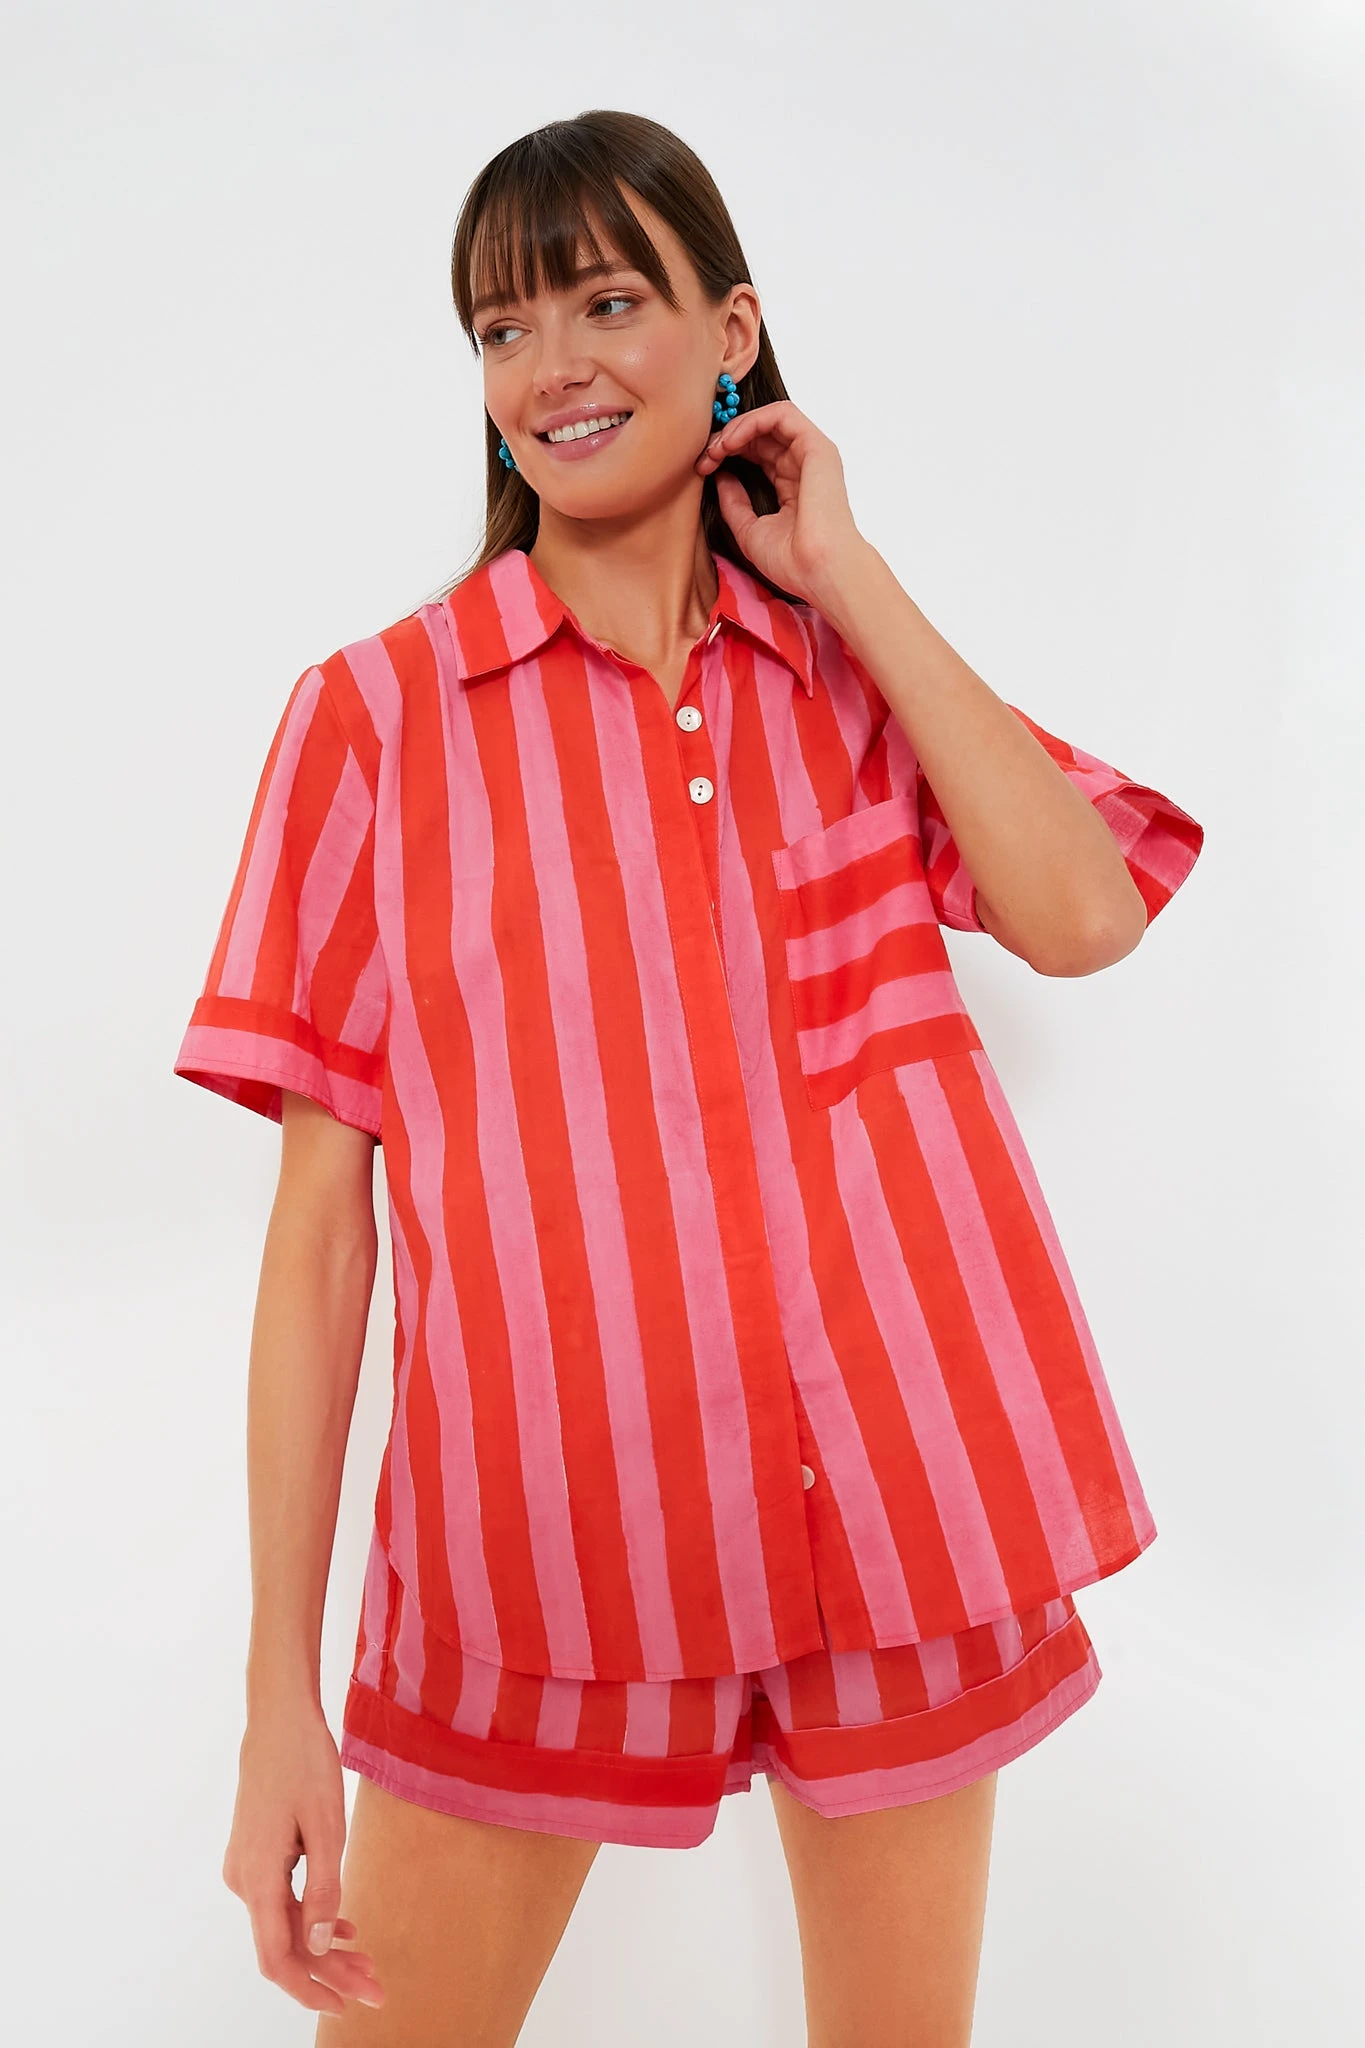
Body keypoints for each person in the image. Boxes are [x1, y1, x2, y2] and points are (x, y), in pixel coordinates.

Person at [173, 109, 1204, 2046]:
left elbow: (1082, 917)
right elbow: (319, 1239)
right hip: (542, 1558)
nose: (547, 367)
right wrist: (275, 1702)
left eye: (603, 302)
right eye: (500, 327)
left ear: (732, 333)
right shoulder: (377, 724)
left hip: (899, 1525)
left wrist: (848, 571)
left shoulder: (847, 680)